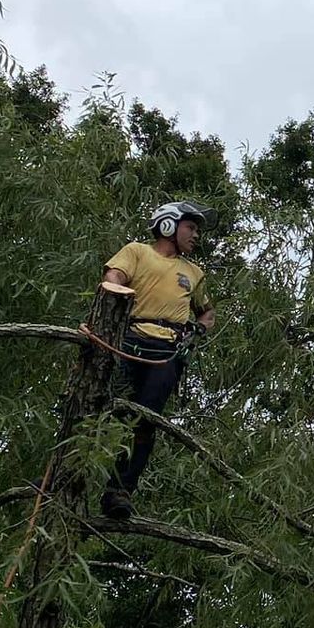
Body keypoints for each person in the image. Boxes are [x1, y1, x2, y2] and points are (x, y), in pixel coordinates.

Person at [99, 200, 216, 517]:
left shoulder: (194, 272)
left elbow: (207, 313)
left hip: (167, 352)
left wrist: (198, 331)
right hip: (128, 340)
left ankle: (119, 492)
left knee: (145, 420)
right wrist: (115, 286)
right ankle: (64, 476)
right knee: (100, 408)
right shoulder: (137, 251)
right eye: (190, 227)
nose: (196, 235)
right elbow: (114, 276)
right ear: (168, 224)